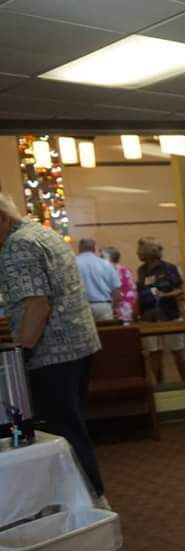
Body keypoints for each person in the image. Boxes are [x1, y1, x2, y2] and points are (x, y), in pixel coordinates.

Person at [0, 193, 104, 496]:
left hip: (51, 353)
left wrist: (20, 355)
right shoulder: (43, 233)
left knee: (61, 433)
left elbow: (37, 306)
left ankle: (86, 500)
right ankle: (92, 495)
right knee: (74, 427)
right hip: (78, 346)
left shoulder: (17, 245)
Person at [135, 238, 185, 384]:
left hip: (169, 314)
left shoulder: (168, 268)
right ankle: (160, 385)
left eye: (140, 250)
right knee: (154, 353)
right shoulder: (141, 270)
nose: (137, 253)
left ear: (148, 251)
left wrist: (165, 295)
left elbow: (180, 290)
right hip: (148, 317)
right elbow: (140, 292)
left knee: (177, 351)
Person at [75, 237, 120, 321]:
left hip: (81, 306)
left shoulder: (73, 263)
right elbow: (116, 290)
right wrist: (112, 307)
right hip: (103, 306)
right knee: (106, 329)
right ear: (94, 248)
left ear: (79, 248)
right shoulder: (106, 264)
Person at [103, 246, 136, 324]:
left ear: (109, 258)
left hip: (118, 310)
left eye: (101, 257)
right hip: (127, 309)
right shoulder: (125, 269)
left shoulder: (111, 270)